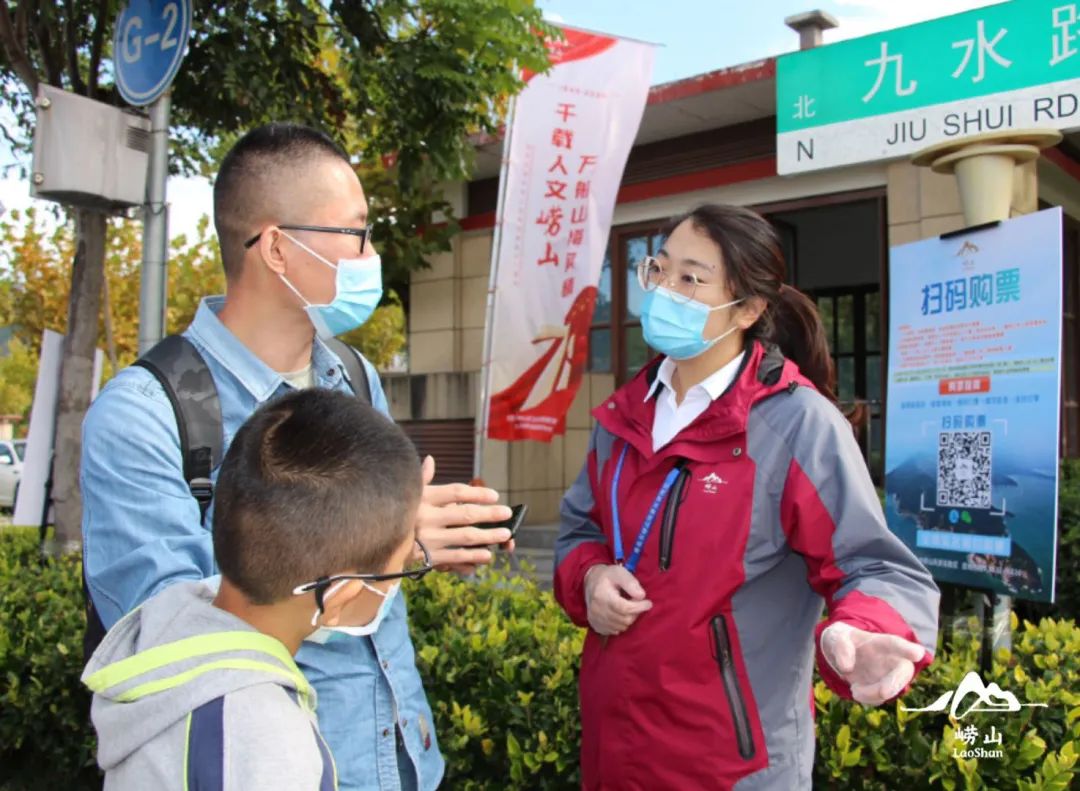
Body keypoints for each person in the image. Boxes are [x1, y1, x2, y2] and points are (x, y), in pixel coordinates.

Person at [81, 123, 514, 791]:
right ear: (278, 248)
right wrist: (380, 539)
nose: (371, 254)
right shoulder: (144, 413)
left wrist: (404, 552)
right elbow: (169, 637)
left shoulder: (354, 375)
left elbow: (365, 595)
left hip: (402, 755)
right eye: (356, 232)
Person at [553, 204, 939, 790]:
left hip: (731, 768)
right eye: (660, 270)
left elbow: (877, 566)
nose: (664, 291)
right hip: (616, 755)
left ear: (749, 309)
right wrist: (589, 578)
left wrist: (863, 629)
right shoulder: (624, 415)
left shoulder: (796, 425)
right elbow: (579, 531)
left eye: (692, 278)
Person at [83, 390, 428, 790]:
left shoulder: (166, 629)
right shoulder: (271, 746)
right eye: (402, 568)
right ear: (338, 598)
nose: (400, 577)